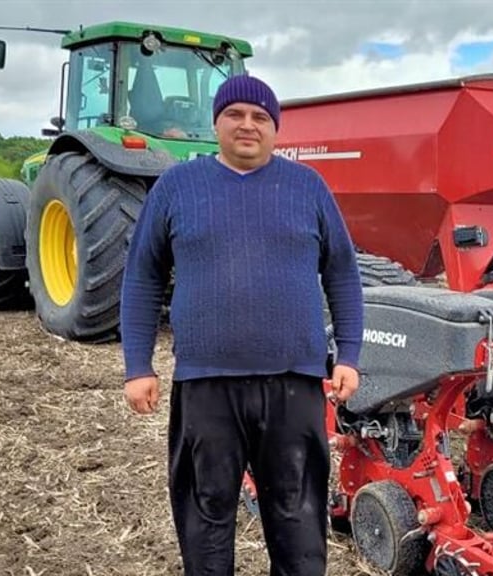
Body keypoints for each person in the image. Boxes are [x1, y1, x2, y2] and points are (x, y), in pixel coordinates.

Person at [120, 74, 364, 576]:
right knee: (205, 516)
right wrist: (137, 365)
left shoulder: (308, 187)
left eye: (260, 117)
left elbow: (342, 271)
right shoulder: (177, 187)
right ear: (217, 122)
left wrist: (350, 354)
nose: (247, 125)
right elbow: (142, 275)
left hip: (294, 383)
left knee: (298, 519)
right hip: (206, 384)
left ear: (276, 128)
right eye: (235, 114)